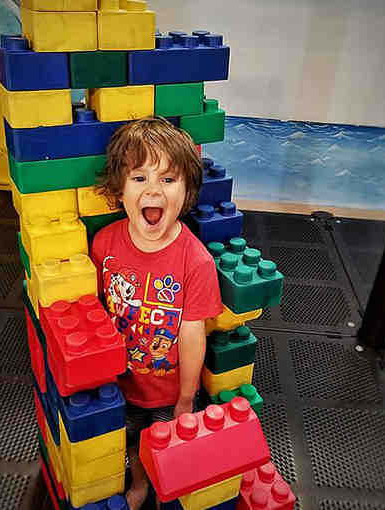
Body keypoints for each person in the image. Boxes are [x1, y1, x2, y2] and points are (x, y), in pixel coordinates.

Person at [90, 117, 224, 510]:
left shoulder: (195, 261)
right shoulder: (104, 244)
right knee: (129, 442)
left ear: (187, 192)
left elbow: (192, 333)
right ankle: (137, 482)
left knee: (163, 446)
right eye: (139, 178)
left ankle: (156, 487)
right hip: (119, 384)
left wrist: (186, 397)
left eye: (168, 179)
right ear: (120, 189)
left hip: (167, 392)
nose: (153, 189)